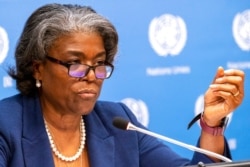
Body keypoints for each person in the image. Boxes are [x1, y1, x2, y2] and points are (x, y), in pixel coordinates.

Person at [0, 3, 245, 167]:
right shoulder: (6, 125)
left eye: (99, 63)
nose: (92, 75)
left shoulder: (118, 122)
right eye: (75, 63)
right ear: (38, 68)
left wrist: (211, 125)